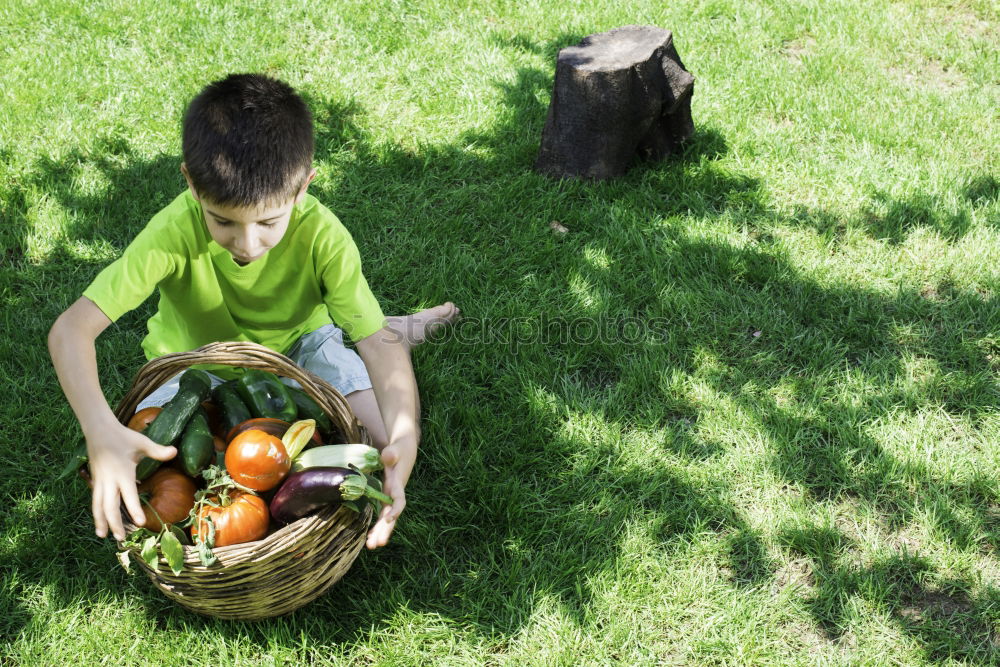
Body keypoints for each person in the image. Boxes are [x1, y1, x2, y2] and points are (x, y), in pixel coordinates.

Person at [47, 73, 458, 550]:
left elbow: (378, 354)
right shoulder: (171, 232)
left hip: (301, 346)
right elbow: (69, 332)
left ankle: (387, 327)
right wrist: (100, 430)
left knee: (379, 446)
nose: (247, 244)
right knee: (149, 476)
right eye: (223, 221)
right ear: (191, 183)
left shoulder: (324, 236)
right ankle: (379, 325)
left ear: (304, 188)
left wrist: (407, 438)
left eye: (268, 222)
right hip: (194, 361)